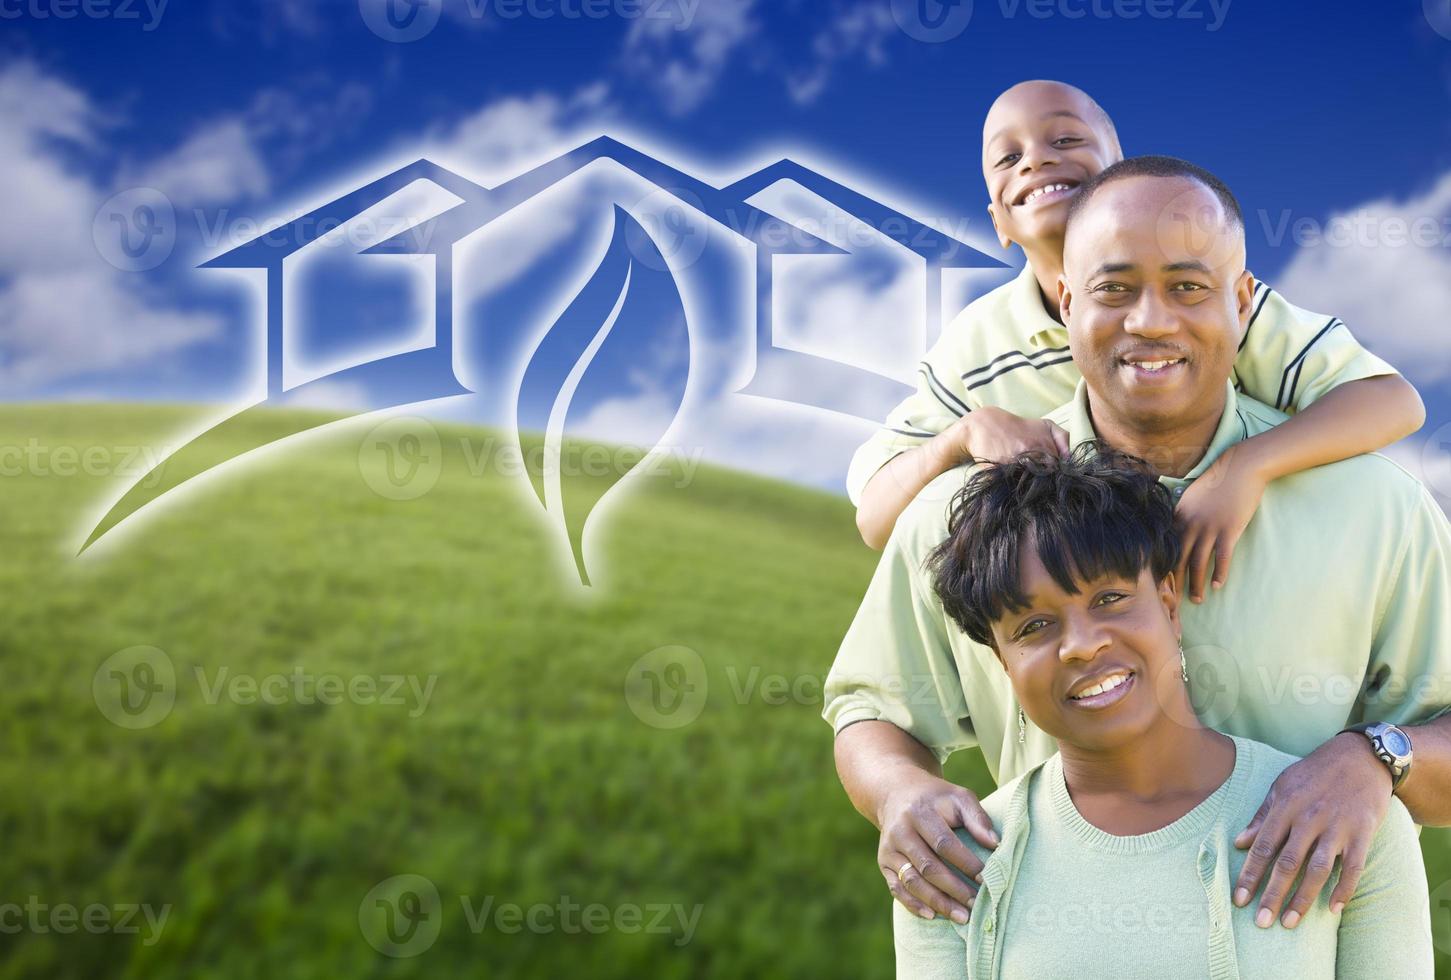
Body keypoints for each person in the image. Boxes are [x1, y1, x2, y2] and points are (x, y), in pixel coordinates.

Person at [823, 156, 1451, 935]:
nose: (1149, 321)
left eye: (1187, 287)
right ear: (1064, 300)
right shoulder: (960, 515)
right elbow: (872, 709)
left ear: (1242, 301)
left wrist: (1375, 757)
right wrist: (898, 793)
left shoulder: (1374, 507)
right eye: (1113, 289)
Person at [849, 80, 1424, 616]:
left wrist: (1244, 467)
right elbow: (876, 520)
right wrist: (965, 433)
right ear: (998, 220)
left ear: (1120, 179)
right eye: (1007, 157)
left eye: (1066, 138)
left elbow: (1392, 401)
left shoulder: (1212, 306)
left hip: (1242, 576)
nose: (1036, 159)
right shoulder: (977, 344)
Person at [891, 446, 1433, 979]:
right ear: (1002, 663)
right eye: (1033, 627)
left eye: (1109, 599)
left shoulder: (1347, 818)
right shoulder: (947, 860)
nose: (1081, 645)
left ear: (1169, 604)